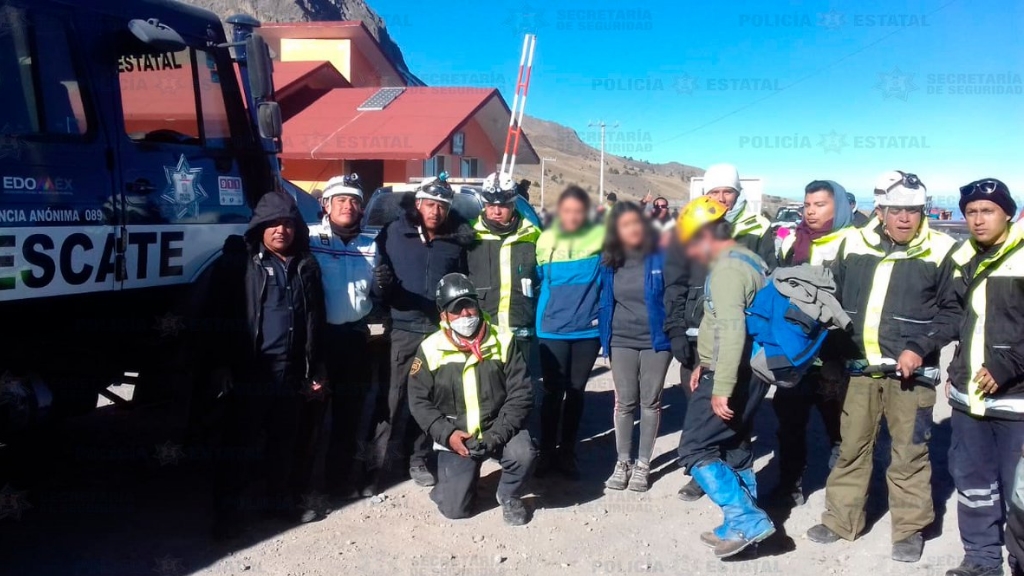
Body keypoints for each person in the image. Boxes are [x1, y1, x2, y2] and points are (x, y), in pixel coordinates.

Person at [807, 170, 960, 563]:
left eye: (914, 210)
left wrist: (919, 347)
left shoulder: (941, 250)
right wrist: (831, 355)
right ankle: (842, 519)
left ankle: (909, 529)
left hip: (911, 375)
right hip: (858, 370)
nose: (906, 218)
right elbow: (833, 298)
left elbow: (954, 312)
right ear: (880, 210)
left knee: (909, 452)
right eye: (896, 210)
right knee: (852, 448)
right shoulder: (853, 243)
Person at [208, 192, 328, 538]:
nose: (281, 230)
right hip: (251, 372)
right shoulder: (239, 264)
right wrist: (220, 366)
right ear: (259, 227)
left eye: (288, 223)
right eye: (273, 223)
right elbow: (216, 317)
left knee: (282, 445)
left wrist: (316, 368)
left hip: (291, 373)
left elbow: (315, 320)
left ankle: (277, 504)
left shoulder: (306, 265)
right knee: (237, 447)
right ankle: (226, 517)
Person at [674, 195, 774, 558]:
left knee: (695, 447)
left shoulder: (728, 272)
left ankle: (747, 519)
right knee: (733, 443)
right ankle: (736, 526)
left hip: (734, 373)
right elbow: (727, 323)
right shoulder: (749, 259)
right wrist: (703, 359)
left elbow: (732, 333)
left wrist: (722, 388)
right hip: (747, 369)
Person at [408, 273, 537, 525]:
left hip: (497, 427)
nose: (466, 314)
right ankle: (455, 483)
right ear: (443, 315)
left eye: (470, 305)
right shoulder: (430, 348)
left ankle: (509, 494)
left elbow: (521, 393)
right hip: (458, 434)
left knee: (525, 453)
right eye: (457, 309)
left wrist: (495, 435)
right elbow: (418, 400)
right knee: (454, 510)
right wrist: (447, 435)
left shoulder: (503, 340)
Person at [945, 179, 1024, 576]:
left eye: (988, 211)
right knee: (973, 485)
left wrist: (1007, 366)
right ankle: (981, 561)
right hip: (968, 398)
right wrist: (953, 371)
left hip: (1017, 402)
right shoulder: (962, 256)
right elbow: (956, 320)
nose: (978, 220)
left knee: (1020, 494)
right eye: (971, 212)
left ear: (1008, 212)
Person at [374, 175, 474, 488]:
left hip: (437, 333)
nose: (435, 211)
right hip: (402, 329)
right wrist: (382, 290)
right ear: (418, 204)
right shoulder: (393, 233)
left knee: (430, 400)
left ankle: (417, 459)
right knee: (392, 399)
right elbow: (376, 277)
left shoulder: (456, 242)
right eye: (429, 204)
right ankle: (379, 463)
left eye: (442, 206)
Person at [771, 179, 855, 506]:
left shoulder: (853, 244)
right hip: (796, 352)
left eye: (820, 205)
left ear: (840, 207)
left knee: (840, 428)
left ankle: (840, 496)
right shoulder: (794, 243)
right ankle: (789, 486)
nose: (811, 211)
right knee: (789, 424)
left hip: (836, 355)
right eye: (807, 205)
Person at [307, 174, 379, 499]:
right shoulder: (308, 239)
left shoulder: (371, 245)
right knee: (310, 418)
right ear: (326, 205)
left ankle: (337, 482)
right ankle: (302, 486)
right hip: (320, 341)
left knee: (348, 417)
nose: (348, 206)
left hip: (354, 341)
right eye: (340, 200)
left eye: (354, 201)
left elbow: (378, 293)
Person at [598, 202, 672, 492]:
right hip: (621, 339)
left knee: (650, 402)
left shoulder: (661, 257)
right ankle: (623, 461)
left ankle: (643, 465)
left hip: (656, 340)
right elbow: (604, 300)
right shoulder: (609, 261)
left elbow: (674, 295)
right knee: (625, 402)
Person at [535, 186, 604, 479]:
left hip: (587, 331)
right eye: (568, 211)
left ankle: (567, 451)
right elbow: (538, 276)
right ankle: (546, 451)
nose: (573, 216)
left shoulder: (601, 238)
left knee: (576, 392)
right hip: (551, 329)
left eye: (579, 211)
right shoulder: (545, 240)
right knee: (553, 392)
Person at [466, 172, 541, 358]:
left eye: (503, 206)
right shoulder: (469, 236)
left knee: (520, 387)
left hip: (520, 331)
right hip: (482, 332)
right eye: (491, 205)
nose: (496, 212)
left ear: (514, 204)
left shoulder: (533, 235)